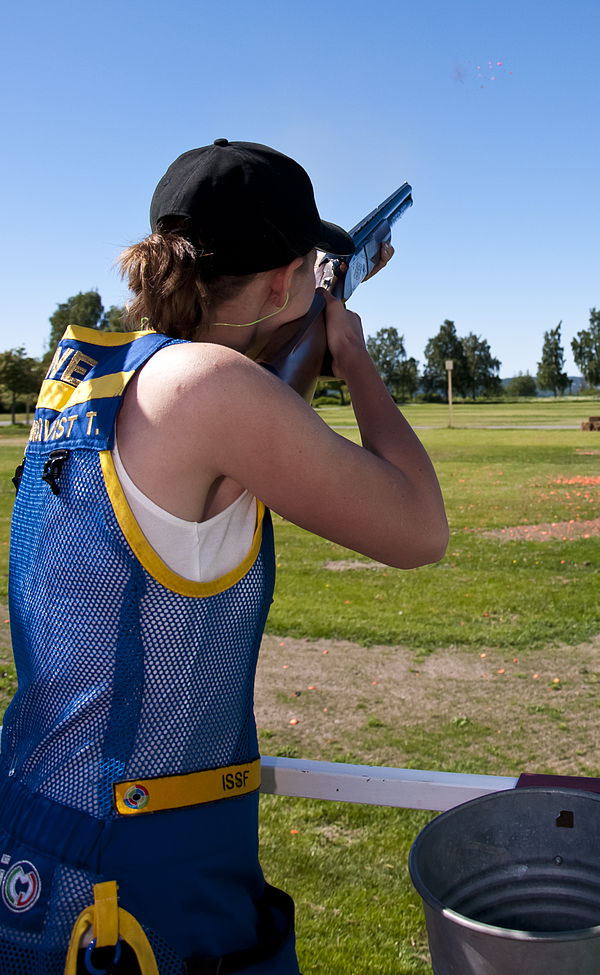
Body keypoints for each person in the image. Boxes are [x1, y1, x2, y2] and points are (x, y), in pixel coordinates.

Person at [0, 139, 448, 974]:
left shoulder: (93, 375)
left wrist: (307, 330)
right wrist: (349, 352)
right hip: (130, 887)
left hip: (53, 835)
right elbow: (422, 527)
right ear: (285, 281)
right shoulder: (210, 389)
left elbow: (250, 443)